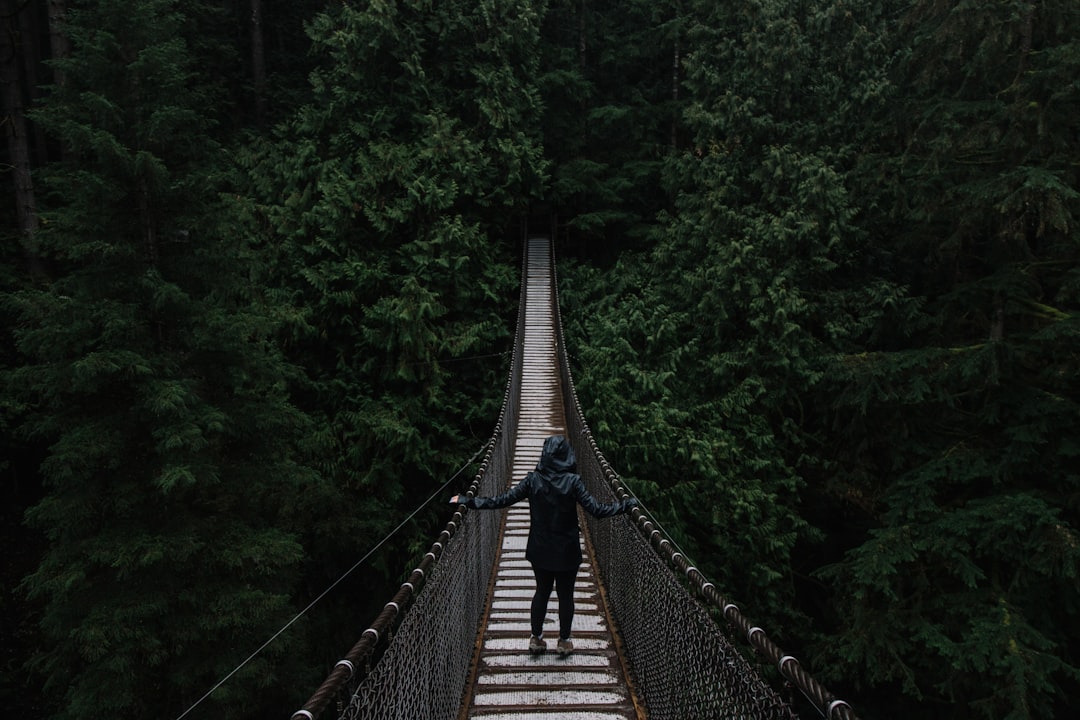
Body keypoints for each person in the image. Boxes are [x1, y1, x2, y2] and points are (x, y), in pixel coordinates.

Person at [450, 434, 638, 656]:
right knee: (566, 595)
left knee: (542, 591)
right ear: (566, 456)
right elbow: (597, 511)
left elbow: (502, 500)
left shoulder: (533, 480)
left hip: (540, 549)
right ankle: (564, 640)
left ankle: (536, 638)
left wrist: (468, 501)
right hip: (567, 550)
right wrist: (625, 505)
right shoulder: (573, 482)